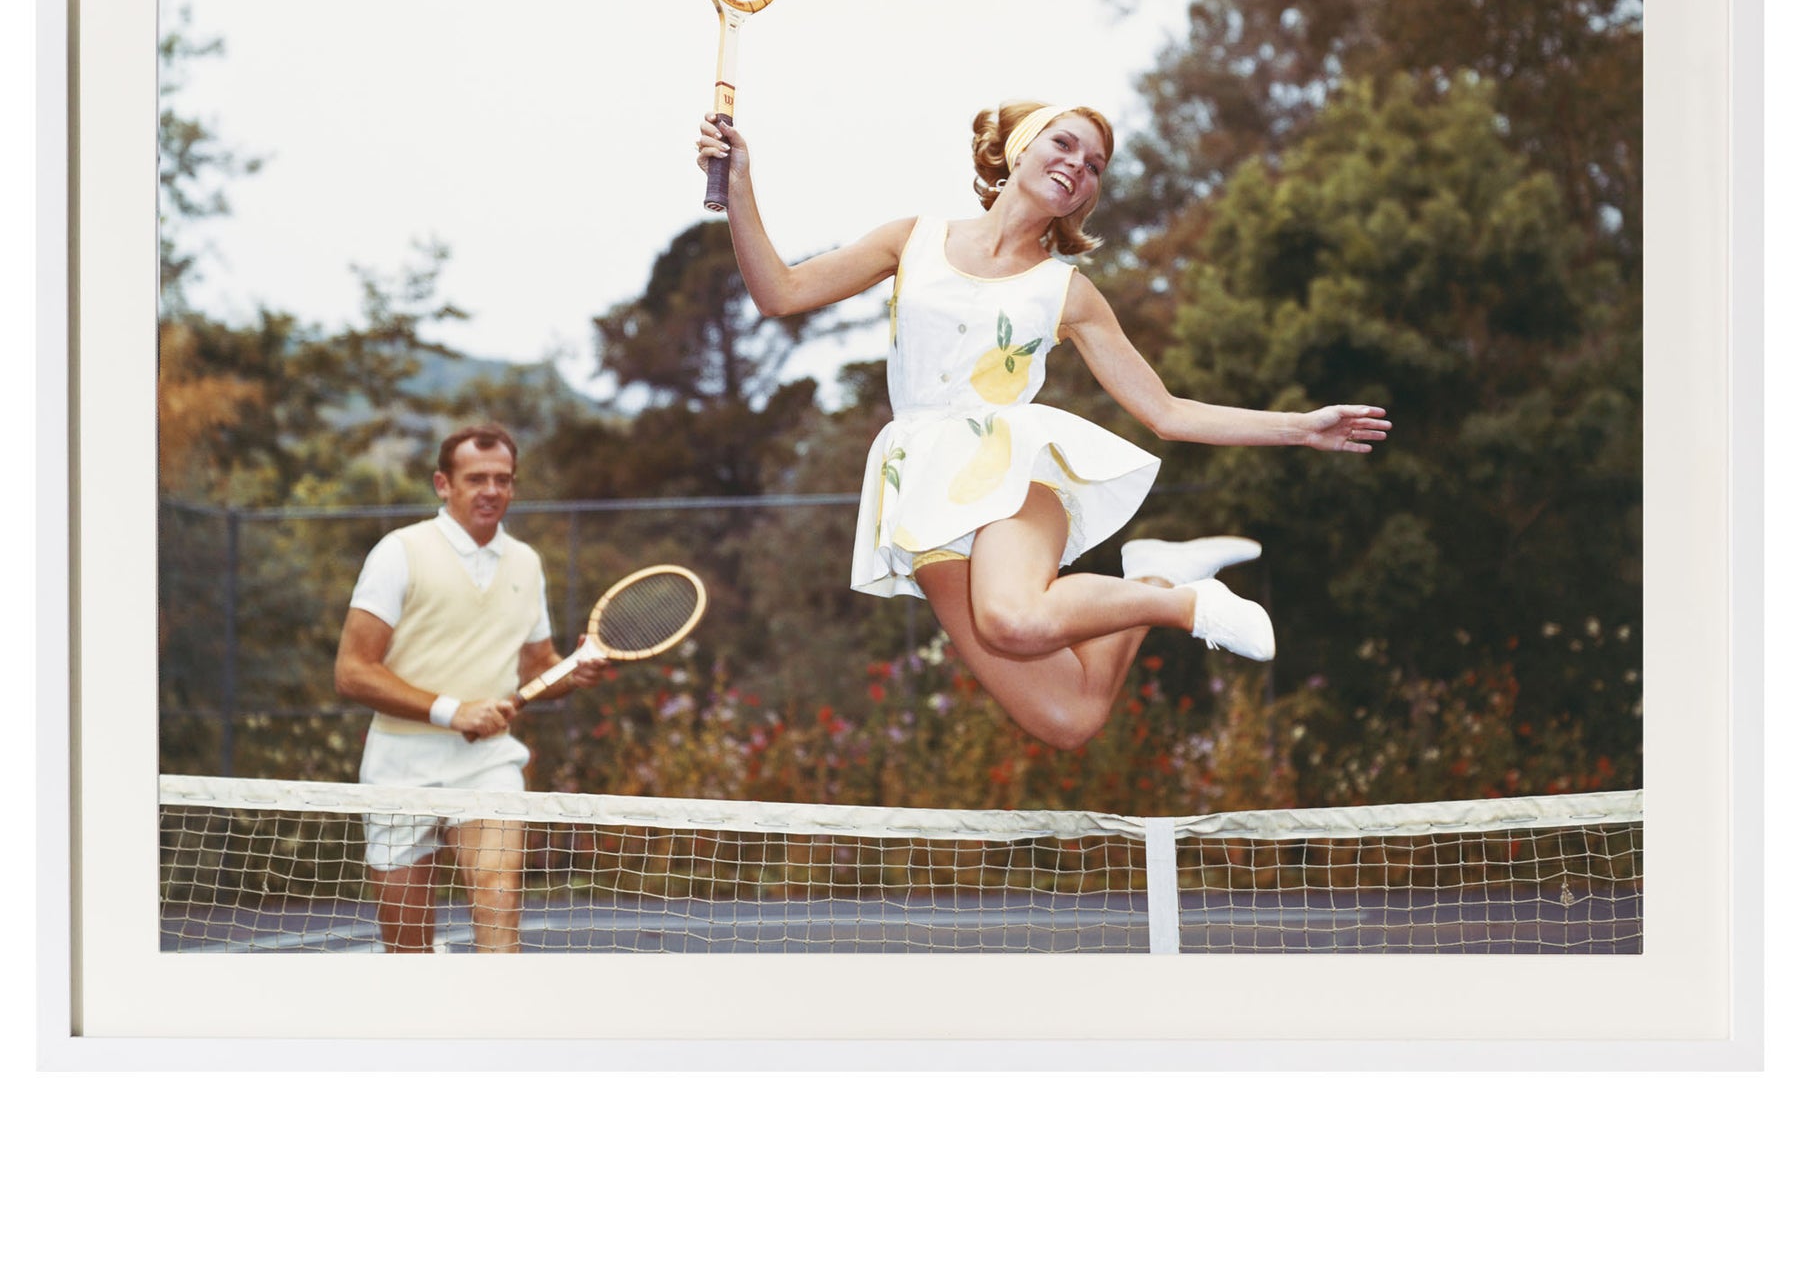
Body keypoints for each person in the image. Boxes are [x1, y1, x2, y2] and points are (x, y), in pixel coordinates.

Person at [697, 100, 1390, 752]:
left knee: (1012, 618)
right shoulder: (913, 240)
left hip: (1011, 477)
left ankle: (1188, 605)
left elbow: (1167, 412)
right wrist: (740, 184)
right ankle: (1154, 580)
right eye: (1065, 144)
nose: (1078, 166)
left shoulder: (1068, 292)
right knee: (1071, 718)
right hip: (923, 496)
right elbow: (779, 294)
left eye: (1095, 166)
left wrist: (1300, 427)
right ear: (1019, 148)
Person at [333, 423, 605, 952]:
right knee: (408, 950)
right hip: (399, 765)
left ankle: (497, 1007)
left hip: (488, 763)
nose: (491, 491)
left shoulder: (526, 562)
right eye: (476, 478)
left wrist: (573, 672)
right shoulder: (399, 552)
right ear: (444, 484)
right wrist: (451, 711)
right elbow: (352, 671)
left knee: (497, 890)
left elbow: (539, 666)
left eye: (503, 479)